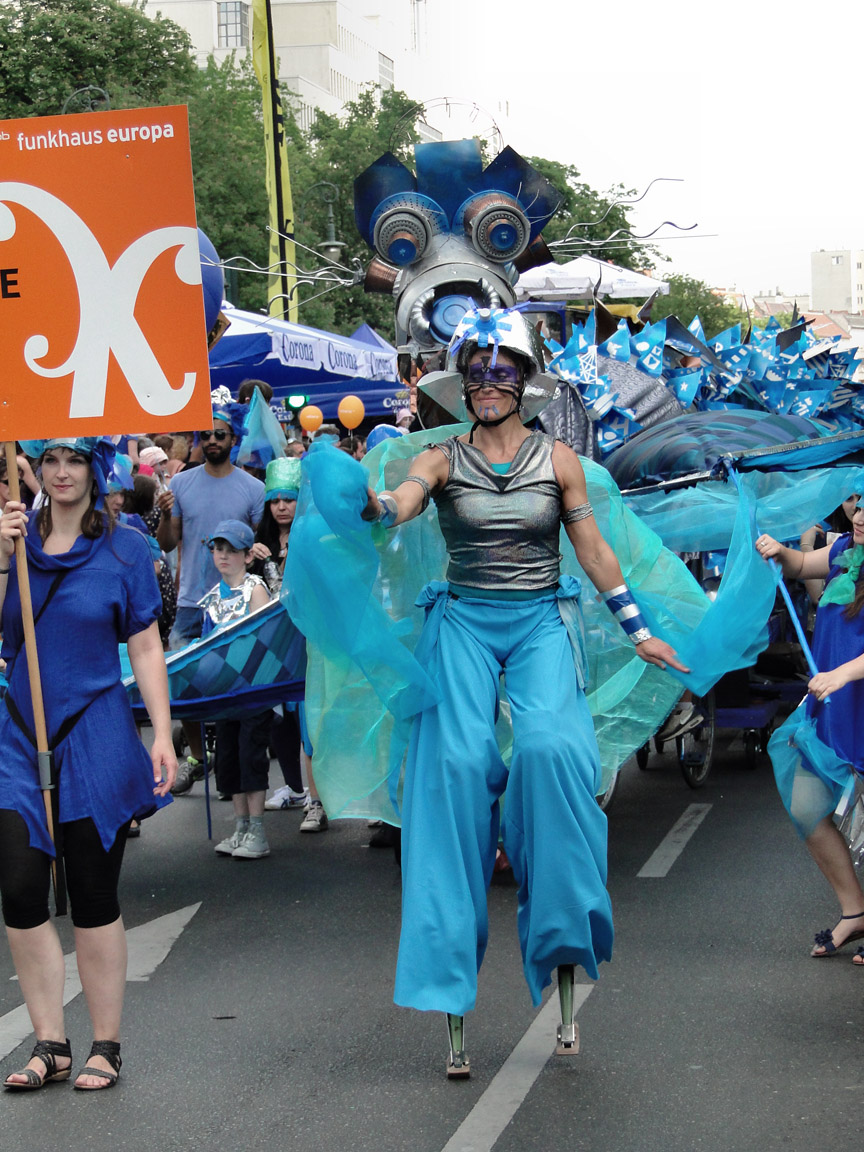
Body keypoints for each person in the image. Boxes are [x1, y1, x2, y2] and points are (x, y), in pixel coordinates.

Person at [360, 307, 688, 1075]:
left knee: (551, 752)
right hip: (465, 625)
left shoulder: (560, 459)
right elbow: (404, 499)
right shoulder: (441, 458)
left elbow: (595, 549)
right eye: (474, 373)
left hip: (541, 621)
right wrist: (376, 508)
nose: (486, 385)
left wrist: (636, 627)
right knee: (456, 772)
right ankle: (449, 981)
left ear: (523, 383)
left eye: (499, 371)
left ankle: (563, 941)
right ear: (461, 385)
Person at [0, 437, 176, 1091]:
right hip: (20, 733)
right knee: (19, 889)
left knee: (93, 894)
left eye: (75, 460)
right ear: (35, 468)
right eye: (50, 460)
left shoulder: (126, 548)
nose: (62, 472)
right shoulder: (13, 539)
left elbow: (148, 647)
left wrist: (161, 732)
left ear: (95, 468)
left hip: (95, 731)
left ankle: (106, 1044)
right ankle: (50, 1043)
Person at [757, 497, 864, 965]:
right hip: (832, 710)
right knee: (805, 806)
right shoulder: (843, 549)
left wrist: (842, 674)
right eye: (859, 504)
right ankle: (855, 910)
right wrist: (780, 554)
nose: (860, 517)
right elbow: (802, 564)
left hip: (853, 699)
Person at [156, 405, 265, 793]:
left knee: (233, 680)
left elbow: (254, 544)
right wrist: (167, 517)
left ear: (233, 440)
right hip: (191, 602)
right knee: (182, 680)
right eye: (207, 435)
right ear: (199, 441)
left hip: (237, 599)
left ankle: (231, 761)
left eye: (221, 434)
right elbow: (168, 543)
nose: (213, 440)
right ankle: (199, 758)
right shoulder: (182, 484)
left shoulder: (254, 489)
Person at [199, 520, 273, 859]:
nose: (224, 556)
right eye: (219, 549)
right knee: (228, 759)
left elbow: (263, 639)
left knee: (251, 757)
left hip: (252, 690)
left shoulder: (255, 588)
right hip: (223, 693)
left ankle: (257, 830)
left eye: (232, 550)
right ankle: (241, 826)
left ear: (247, 556)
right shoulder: (211, 597)